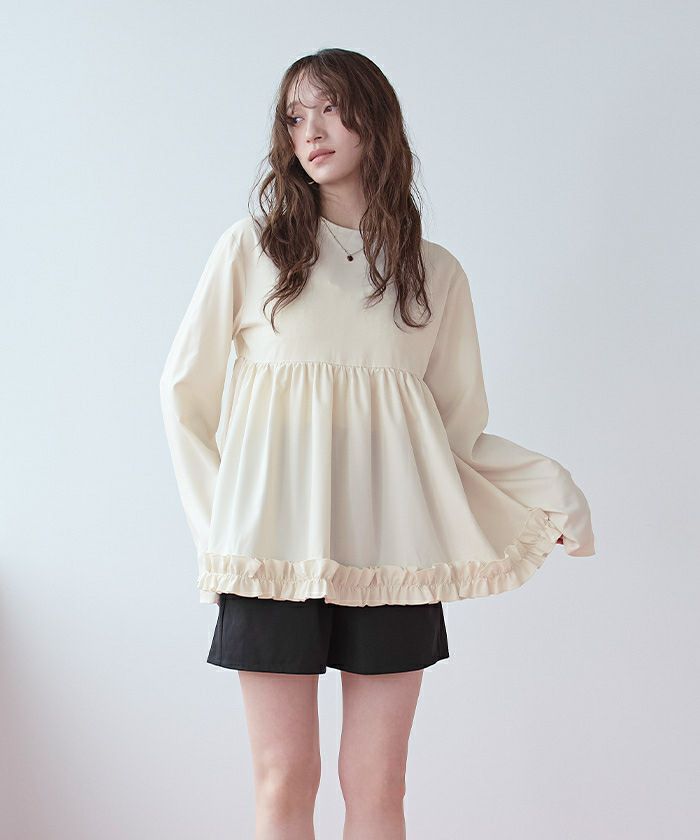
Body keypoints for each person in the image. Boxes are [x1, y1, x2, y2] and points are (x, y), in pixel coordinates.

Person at [158, 47, 595, 840]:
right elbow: (185, 396)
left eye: (329, 108)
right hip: (269, 550)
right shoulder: (254, 250)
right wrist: (221, 528)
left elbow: (455, 433)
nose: (311, 131)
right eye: (295, 117)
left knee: (379, 782)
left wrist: (547, 486)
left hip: (394, 551)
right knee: (284, 777)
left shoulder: (433, 273)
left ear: (374, 117)